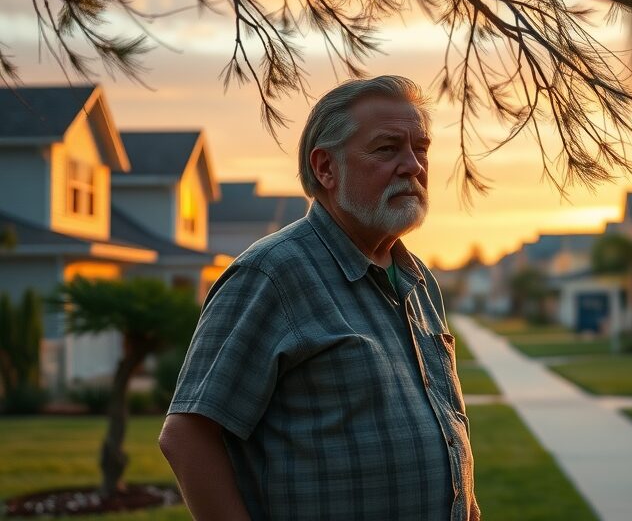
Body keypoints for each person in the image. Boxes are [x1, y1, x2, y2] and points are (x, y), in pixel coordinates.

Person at [159, 76, 479, 521]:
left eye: (420, 148)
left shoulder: (418, 279)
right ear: (326, 168)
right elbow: (188, 435)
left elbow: (446, 429)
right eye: (387, 149)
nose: (413, 165)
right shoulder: (271, 274)